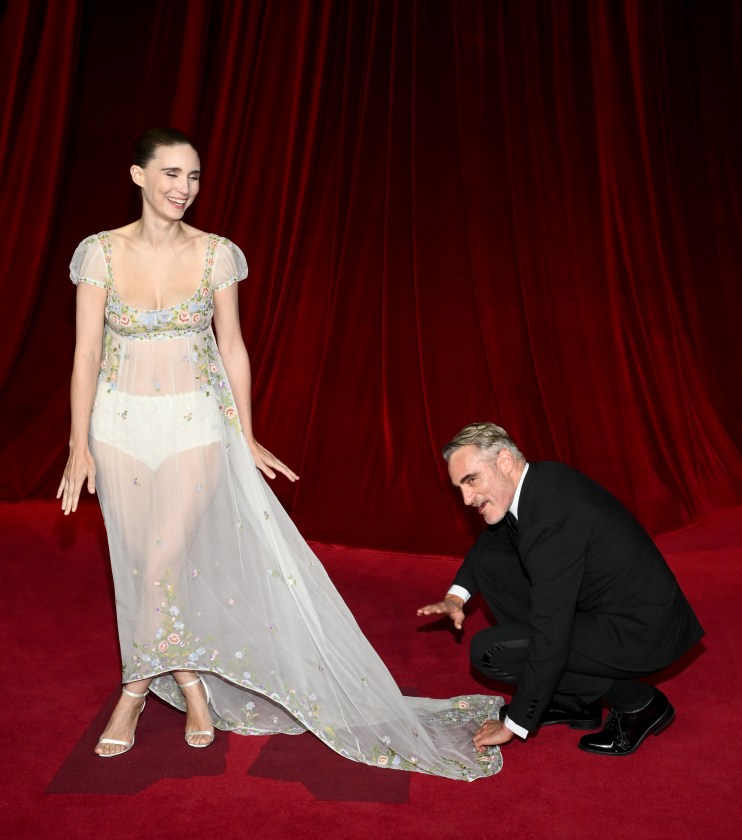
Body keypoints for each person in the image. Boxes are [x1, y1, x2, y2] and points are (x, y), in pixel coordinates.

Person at [57, 127, 502, 780]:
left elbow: (232, 347)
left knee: (158, 564)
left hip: (194, 426)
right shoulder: (99, 255)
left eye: (194, 178)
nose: (184, 188)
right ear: (138, 176)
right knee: (137, 562)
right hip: (117, 425)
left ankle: (132, 693)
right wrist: (76, 446)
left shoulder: (216, 255)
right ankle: (195, 687)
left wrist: (244, 431)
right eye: (172, 174)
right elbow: (86, 354)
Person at [417, 422, 703, 757]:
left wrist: (514, 724)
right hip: (605, 607)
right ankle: (576, 703)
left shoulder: (551, 523)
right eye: (459, 487)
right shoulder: (538, 480)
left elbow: (549, 637)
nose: (466, 499)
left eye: (471, 480)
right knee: (492, 566)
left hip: (641, 630)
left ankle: (638, 702)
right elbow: (488, 547)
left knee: (489, 651)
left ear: (505, 461)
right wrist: (456, 597)